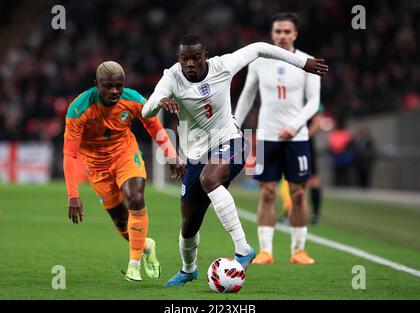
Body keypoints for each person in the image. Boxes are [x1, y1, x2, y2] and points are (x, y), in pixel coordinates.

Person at [142, 34, 327, 286]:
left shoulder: (223, 65)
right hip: (196, 155)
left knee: (210, 178)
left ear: (205, 56)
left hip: (231, 142)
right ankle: (188, 269)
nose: (191, 63)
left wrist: (301, 63)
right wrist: (160, 102)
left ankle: (243, 249)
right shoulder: (171, 77)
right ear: (179, 59)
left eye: (196, 57)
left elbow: (260, 48)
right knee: (189, 224)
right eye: (185, 58)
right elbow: (146, 110)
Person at [63, 61, 184, 282]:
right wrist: (73, 195)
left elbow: (153, 125)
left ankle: (134, 265)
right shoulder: (78, 110)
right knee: (121, 222)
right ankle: (146, 245)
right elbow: (70, 155)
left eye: (119, 86)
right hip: (97, 167)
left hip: (125, 155)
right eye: (108, 86)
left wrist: (171, 154)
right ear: (96, 85)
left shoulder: (133, 99)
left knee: (135, 196)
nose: (115, 91)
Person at [235, 13, 322, 265]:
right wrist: (234, 125)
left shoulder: (308, 62)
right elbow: (247, 96)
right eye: (278, 31)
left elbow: (314, 101)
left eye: (287, 31)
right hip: (264, 136)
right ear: (272, 34)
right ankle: (265, 251)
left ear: (295, 34)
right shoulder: (259, 61)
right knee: (267, 193)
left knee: (297, 194)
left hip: (297, 138)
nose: (282, 36)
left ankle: (298, 250)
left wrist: (295, 125)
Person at [278, 103, 325, 225]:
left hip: (305, 145)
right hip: (292, 143)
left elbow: (318, 121)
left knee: (312, 180)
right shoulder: (292, 96)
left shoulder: (311, 98)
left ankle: (314, 215)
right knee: (290, 179)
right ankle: (289, 213)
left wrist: (303, 137)